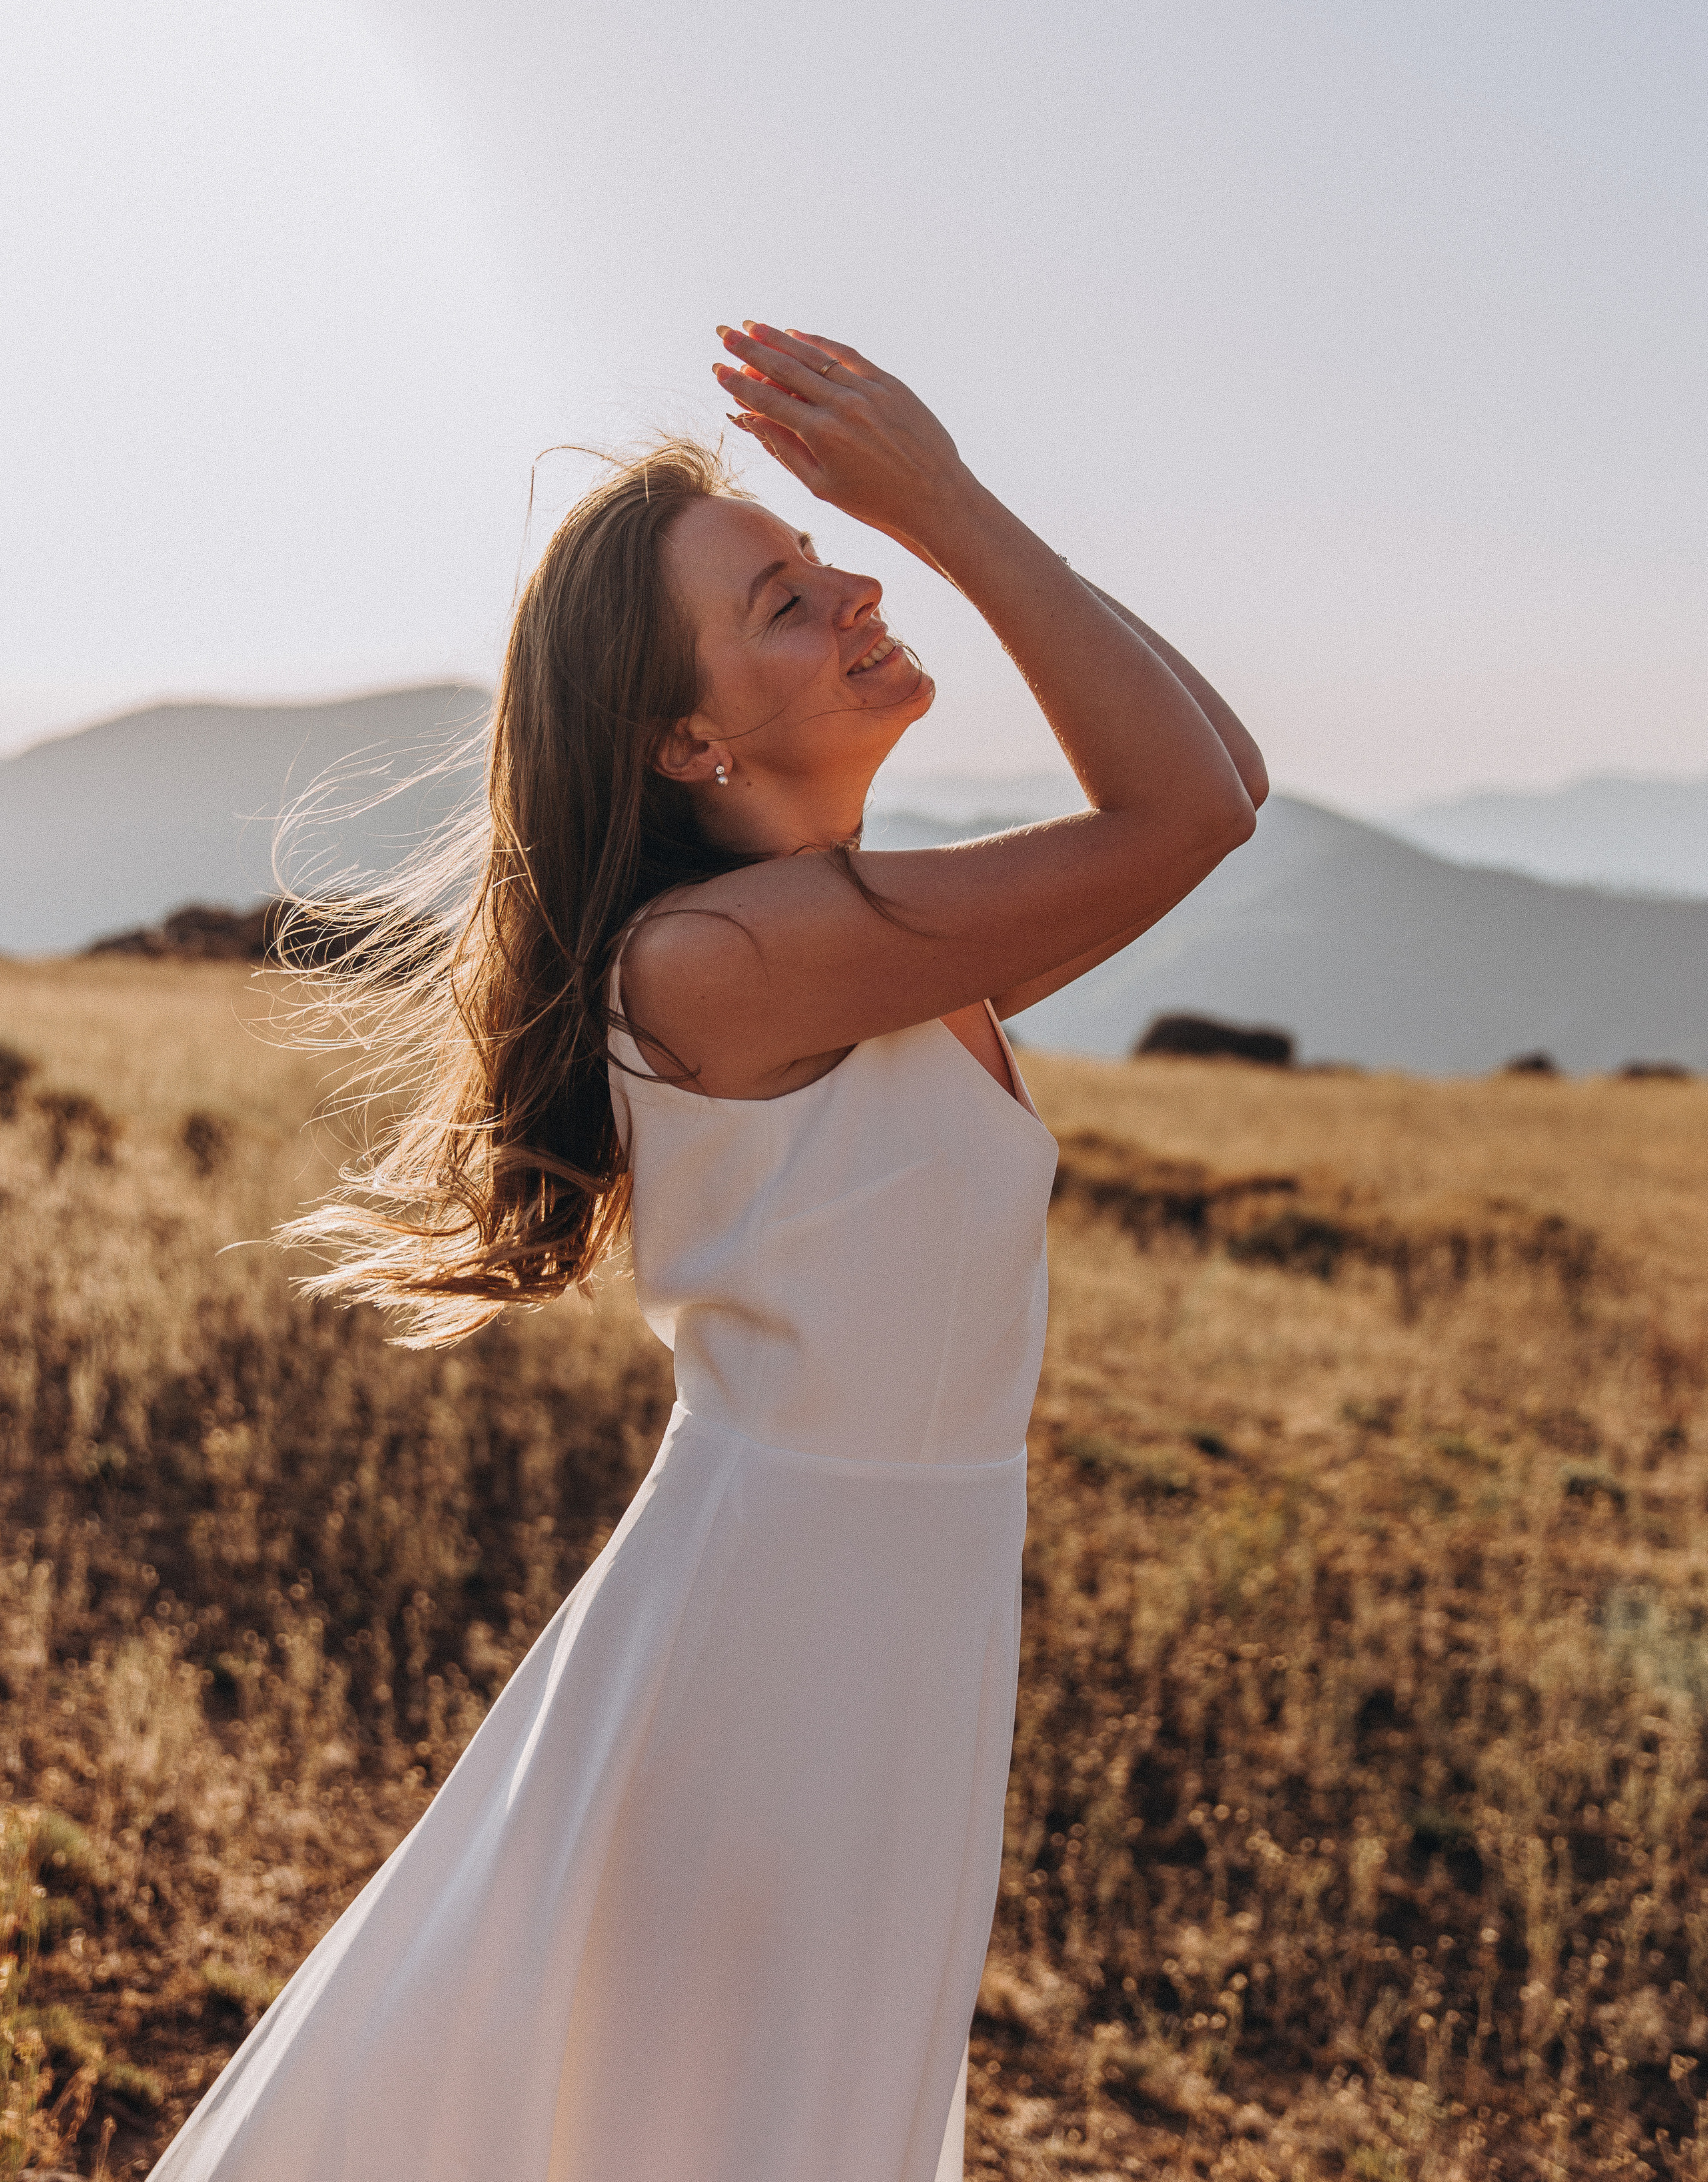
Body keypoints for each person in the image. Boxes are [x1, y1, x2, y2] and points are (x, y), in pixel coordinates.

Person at [151, 325, 1265, 2182]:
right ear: (692, 740)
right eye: (786, 599)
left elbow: (1217, 768)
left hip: (892, 1602)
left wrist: (945, 515)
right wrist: (957, 511)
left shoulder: (877, 941)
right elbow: (1196, 807)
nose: (856, 588)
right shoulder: (725, 963)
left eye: (833, 560)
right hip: (785, 1635)